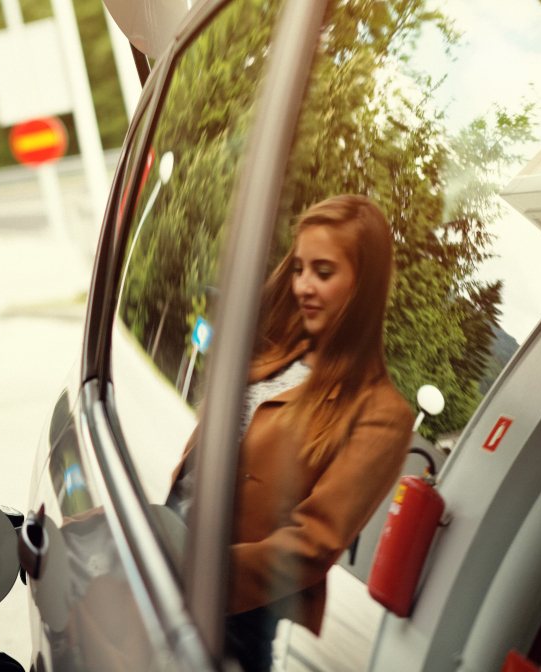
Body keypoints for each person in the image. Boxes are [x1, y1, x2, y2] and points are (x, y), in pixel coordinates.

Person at [168, 195, 413, 672]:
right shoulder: (274, 350)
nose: (303, 285)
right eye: (299, 267)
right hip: (168, 556)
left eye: (323, 272)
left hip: (231, 619)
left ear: (364, 285)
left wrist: (194, 568)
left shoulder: (381, 412)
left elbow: (313, 545)